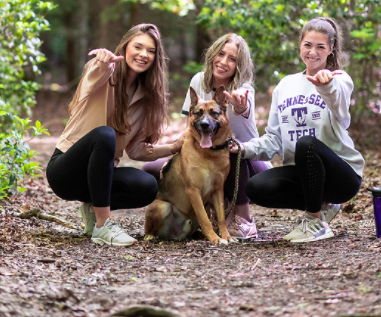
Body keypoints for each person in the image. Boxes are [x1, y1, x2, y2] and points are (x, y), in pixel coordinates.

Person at [46, 24, 183, 247]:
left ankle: (94, 208)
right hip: (65, 172)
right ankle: (103, 224)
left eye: (150, 51)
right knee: (104, 135)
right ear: (125, 47)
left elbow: (136, 150)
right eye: (138, 47)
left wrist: (173, 147)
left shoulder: (145, 96)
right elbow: (91, 79)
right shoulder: (104, 72)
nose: (143, 54)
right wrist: (102, 62)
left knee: (147, 185)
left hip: (99, 177)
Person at [233, 17, 364, 243]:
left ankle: (313, 222)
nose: (313, 52)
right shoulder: (285, 85)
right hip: (305, 175)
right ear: (300, 45)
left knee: (307, 143)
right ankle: (323, 205)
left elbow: (341, 110)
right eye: (308, 45)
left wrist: (327, 84)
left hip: (342, 175)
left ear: (331, 49)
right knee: (256, 187)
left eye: (320, 46)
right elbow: (274, 139)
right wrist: (242, 148)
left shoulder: (340, 79)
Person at [144, 33, 271, 239]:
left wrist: (239, 106)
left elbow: (242, 107)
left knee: (233, 151)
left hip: (247, 163)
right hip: (208, 152)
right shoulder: (199, 80)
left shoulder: (244, 89)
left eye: (232, 59)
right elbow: (190, 125)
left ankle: (242, 218)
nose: (223, 62)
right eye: (221, 54)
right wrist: (176, 157)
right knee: (152, 168)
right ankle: (205, 208)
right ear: (213, 54)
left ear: (239, 65)